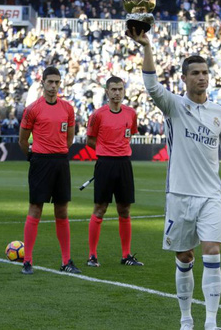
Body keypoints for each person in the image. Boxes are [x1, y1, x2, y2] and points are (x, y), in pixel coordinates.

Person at [128, 29, 221, 330]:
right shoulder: (174, 106)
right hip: (179, 195)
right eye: (195, 73)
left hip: (211, 196)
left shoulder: (219, 113)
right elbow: (151, 85)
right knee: (184, 255)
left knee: (212, 250)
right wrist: (147, 47)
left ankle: (210, 322)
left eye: (205, 72)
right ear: (184, 78)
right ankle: (185, 320)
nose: (201, 77)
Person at [18, 66, 80, 275]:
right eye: (50, 82)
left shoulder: (68, 109)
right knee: (36, 209)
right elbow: (22, 140)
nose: (53, 86)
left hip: (61, 161)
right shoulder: (33, 108)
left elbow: (69, 138)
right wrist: (33, 156)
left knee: (61, 210)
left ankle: (66, 260)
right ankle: (27, 261)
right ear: (42, 83)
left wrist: (58, 151)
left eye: (57, 82)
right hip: (40, 162)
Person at [86, 76, 143, 268]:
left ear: (124, 91)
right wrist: (106, 151)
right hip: (105, 164)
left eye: (120, 89)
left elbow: (130, 134)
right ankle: (92, 255)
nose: (117, 93)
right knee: (100, 209)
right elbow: (90, 140)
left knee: (124, 209)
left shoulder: (131, 113)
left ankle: (126, 255)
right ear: (107, 91)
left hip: (124, 164)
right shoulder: (98, 114)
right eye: (114, 89)